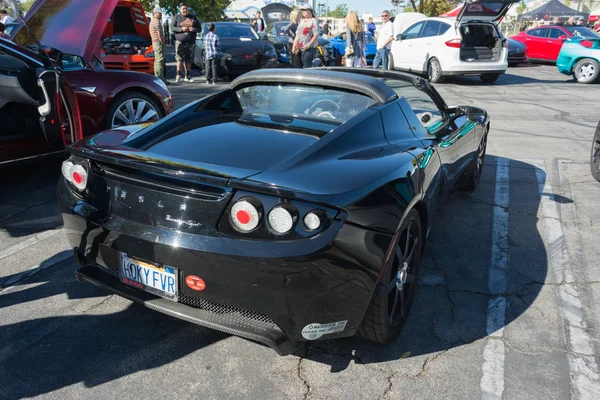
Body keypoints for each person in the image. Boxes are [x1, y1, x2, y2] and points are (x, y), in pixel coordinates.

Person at [170, 3, 201, 83]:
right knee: (179, 59)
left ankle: (188, 76)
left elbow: (199, 29)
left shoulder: (193, 18)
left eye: (186, 9)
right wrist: (181, 29)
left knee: (189, 60)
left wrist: (193, 29)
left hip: (190, 42)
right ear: (180, 10)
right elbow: (172, 28)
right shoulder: (177, 17)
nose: (184, 10)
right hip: (180, 42)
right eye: (183, 9)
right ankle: (178, 76)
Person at [150, 7, 167, 83]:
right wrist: (163, 43)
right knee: (160, 61)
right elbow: (160, 35)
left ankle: (157, 76)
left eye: (160, 13)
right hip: (158, 43)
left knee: (157, 61)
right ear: (154, 13)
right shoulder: (156, 22)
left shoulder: (152, 21)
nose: (160, 15)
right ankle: (160, 78)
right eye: (159, 13)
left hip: (154, 42)